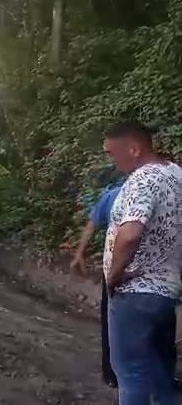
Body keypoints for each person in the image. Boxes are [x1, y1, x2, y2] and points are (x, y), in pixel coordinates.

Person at [102, 120, 182, 405]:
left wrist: (113, 275)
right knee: (163, 377)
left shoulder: (142, 179)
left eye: (111, 153)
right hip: (166, 294)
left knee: (131, 375)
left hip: (134, 292)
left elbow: (130, 233)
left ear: (134, 149)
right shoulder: (176, 175)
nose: (109, 160)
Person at [70, 172, 124, 388]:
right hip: (137, 270)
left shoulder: (111, 193)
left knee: (112, 319)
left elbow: (92, 223)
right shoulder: (116, 193)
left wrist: (79, 253)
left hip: (116, 267)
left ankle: (111, 372)